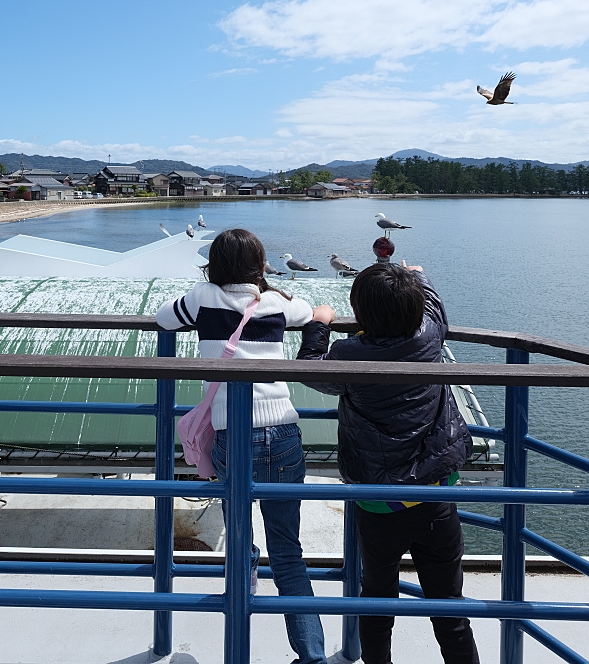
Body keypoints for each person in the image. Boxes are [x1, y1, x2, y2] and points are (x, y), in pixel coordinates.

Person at [156, 228, 328, 664]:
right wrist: (323, 318)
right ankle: (313, 656)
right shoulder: (276, 303)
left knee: (238, 531)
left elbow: (162, 318)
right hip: (284, 431)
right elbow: (312, 313)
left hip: (234, 436)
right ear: (260, 264)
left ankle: (245, 569)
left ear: (214, 263)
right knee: (289, 553)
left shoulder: (202, 297)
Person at [299, 263, 480, 664]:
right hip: (433, 493)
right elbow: (435, 307)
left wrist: (319, 323)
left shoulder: (349, 356)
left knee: (377, 597)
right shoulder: (429, 336)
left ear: (361, 313)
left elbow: (310, 367)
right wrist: (418, 275)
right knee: (449, 606)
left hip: (380, 501)